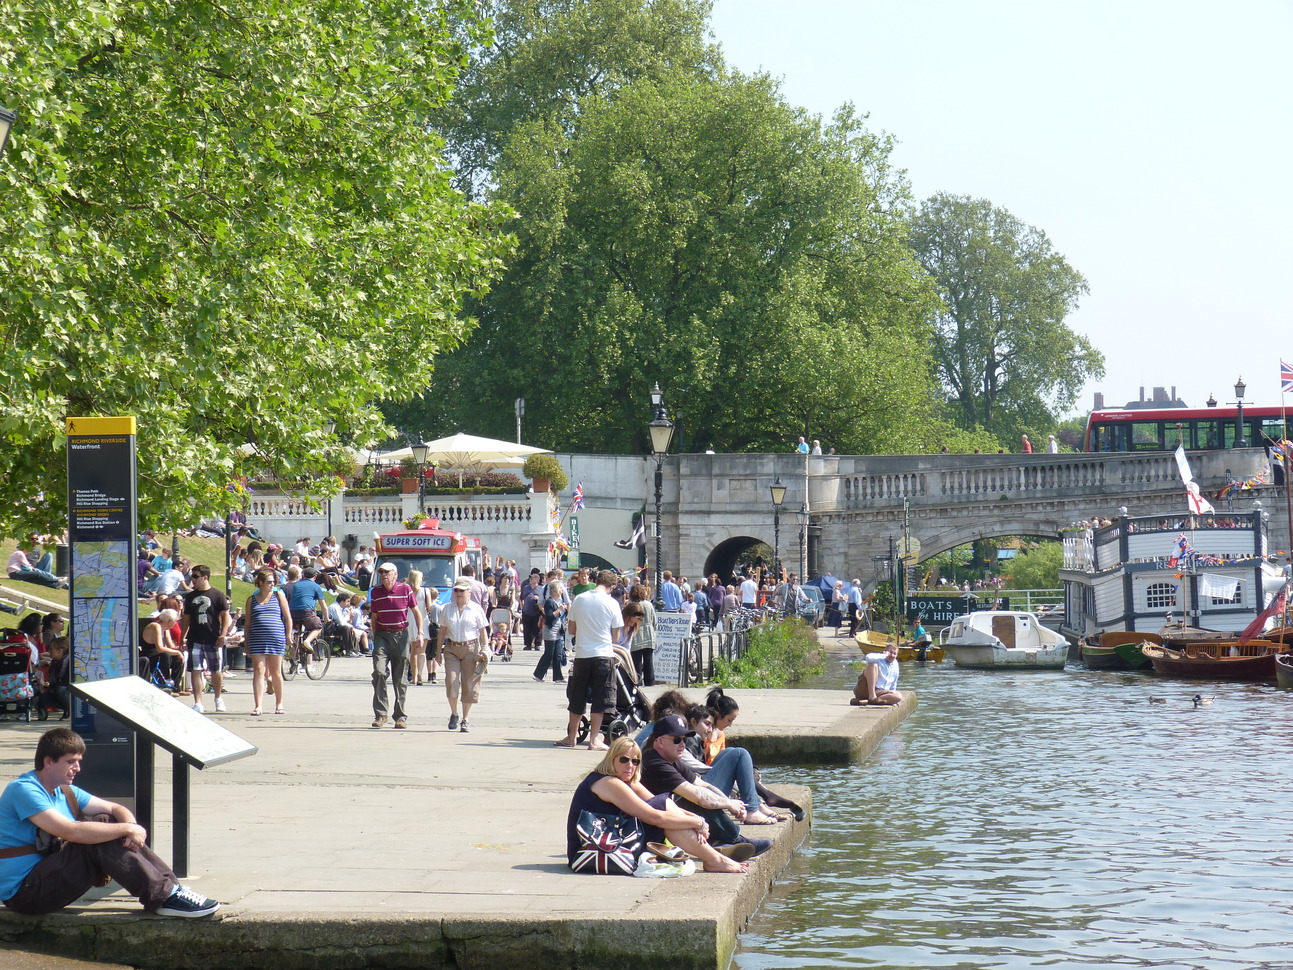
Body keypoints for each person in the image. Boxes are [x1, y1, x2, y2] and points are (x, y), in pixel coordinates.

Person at [0, 728, 219, 917]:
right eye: (71, 762)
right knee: (98, 836)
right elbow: (71, 832)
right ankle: (163, 896)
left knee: (107, 821)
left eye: (78, 762)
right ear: (49, 761)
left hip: (48, 874)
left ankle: (171, 891)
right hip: (26, 892)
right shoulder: (24, 789)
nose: (78, 768)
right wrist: (126, 829)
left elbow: (116, 809)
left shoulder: (65, 791)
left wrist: (132, 829)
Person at [565, 736, 747, 875]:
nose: (630, 765)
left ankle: (715, 858)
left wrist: (694, 818)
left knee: (663, 802)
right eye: (624, 759)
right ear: (611, 759)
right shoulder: (609, 783)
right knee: (664, 818)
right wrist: (696, 824)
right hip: (596, 847)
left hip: (614, 839)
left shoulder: (626, 779)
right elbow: (654, 817)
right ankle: (714, 858)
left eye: (635, 761)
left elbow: (659, 802)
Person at [638, 715, 770, 860]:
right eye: (676, 740)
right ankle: (734, 839)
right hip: (653, 825)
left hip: (669, 816)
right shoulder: (655, 763)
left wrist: (729, 802)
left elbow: (703, 784)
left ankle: (721, 840)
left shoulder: (672, 760)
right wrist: (729, 803)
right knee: (695, 800)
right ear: (660, 742)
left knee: (705, 793)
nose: (682, 744)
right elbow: (698, 797)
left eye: (683, 739)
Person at [555, 569, 622, 751]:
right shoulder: (612, 603)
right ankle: (594, 740)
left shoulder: (580, 599)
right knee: (600, 698)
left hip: (582, 655)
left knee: (578, 696)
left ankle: (571, 736)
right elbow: (616, 636)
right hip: (603, 654)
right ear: (612, 586)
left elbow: (571, 630)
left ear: (596, 580)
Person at [369, 563, 422, 729]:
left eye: (387, 572)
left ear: (395, 574)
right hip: (382, 635)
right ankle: (381, 714)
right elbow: (374, 617)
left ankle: (400, 716)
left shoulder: (405, 589)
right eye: (381, 572)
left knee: (400, 677)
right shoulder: (376, 592)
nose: (383, 575)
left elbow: (416, 612)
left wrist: (420, 633)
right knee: (379, 672)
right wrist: (374, 635)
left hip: (400, 635)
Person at [435, 576, 489, 732]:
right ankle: (454, 714)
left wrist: (484, 649)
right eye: (456, 590)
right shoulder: (447, 608)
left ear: (469, 592)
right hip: (452, 648)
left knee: (469, 684)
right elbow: (442, 631)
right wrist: (438, 652)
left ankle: (466, 719)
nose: (458, 593)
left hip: (471, 649)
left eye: (461, 591)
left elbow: (482, 631)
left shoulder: (476, 609)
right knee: (451, 681)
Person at [180, 565, 231, 714]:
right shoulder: (190, 597)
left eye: (195, 576)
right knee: (196, 670)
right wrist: (183, 637)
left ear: (205, 577)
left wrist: (223, 635)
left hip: (212, 638)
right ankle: (198, 702)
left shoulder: (217, 595)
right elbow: (186, 618)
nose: (192, 579)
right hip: (195, 638)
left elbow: (225, 615)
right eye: (192, 576)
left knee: (216, 670)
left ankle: (218, 698)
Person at [243, 567, 290, 716]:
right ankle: (258, 705)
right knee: (259, 671)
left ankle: (279, 703)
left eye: (274, 582)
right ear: (261, 583)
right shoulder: (251, 599)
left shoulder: (278, 595)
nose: (272, 584)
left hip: (276, 638)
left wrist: (288, 635)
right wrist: (246, 643)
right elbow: (248, 623)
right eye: (270, 582)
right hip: (257, 638)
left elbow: (287, 617)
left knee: (276, 672)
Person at [285, 565, 328, 660]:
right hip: (306, 612)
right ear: (315, 577)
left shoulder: (296, 585)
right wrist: (327, 618)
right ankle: (307, 641)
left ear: (303, 575)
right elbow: (323, 606)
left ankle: (293, 658)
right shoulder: (316, 586)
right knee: (318, 627)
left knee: (297, 636)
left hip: (292, 612)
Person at [140, 609, 184, 691]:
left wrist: (183, 648)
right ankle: (164, 684)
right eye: (175, 621)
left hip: (159, 655)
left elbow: (171, 646)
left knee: (178, 657)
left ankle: (175, 687)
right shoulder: (155, 626)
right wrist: (177, 652)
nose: (175, 624)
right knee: (165, 654)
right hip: (149, 655)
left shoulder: (165, 628)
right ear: (170, 622)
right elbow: (160, 648)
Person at [534, 577, 567, 683]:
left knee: (558, 654)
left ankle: (558, 677)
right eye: (560, 589)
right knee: (549, 654)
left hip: (557, 631)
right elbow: (549, 616)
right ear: (556, 591)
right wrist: (559, 610)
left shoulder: (555, 602)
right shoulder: (549, 602)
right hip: (550, 631)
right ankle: (538, 674)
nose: (561, 592)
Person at [852, 641, 901, 706]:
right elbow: (868, 658)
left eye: (894, 654)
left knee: (898, 696)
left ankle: (867, 701)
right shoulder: (879, 658)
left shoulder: (895, 664)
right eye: (890, 652)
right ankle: (872, 696)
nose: (892, 655)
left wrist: (893, 697)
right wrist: (884, 655)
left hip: (880, 691)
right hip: (865, 687)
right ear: (885, 651)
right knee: (872, 665)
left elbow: (894, 682)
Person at [628, 583, 657, 686]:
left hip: (636, 635)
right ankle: (650, 683)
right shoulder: (649, 605)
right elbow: (654, 621)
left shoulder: (631, 605)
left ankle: (637, 683)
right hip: (649, 634)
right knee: (649, 661)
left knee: (636, 662)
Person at [518, 570, 544, 652]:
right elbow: (521, 598)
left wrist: (538, 598)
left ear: (537, 580)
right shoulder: (526, 588)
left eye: (532, 579)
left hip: (536, 612)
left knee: (537, 628)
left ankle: (537, 644)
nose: (530, 580)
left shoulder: (541, 589)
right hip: (526, 611)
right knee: (527, 629)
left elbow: (544, 600)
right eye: (531, 579)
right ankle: (528, 644)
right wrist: (522, 607)